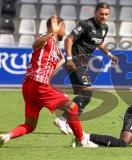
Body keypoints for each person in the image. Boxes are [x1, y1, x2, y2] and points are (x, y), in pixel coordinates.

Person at [0, 16, 97, 147]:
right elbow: (35, 45)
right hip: (38, 85)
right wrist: (52, 32)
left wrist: (62, 60)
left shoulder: (54, 47)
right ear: (58, 27)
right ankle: (81, 140)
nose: (65, 31)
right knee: (72, 106)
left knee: (30, 125)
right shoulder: (47, 38)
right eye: (64, 28)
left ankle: (7, 136)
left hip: (29, 87)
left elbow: (54, 66)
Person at [54, 2, 119, 135]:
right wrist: (70, 59)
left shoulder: (104, 28)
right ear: (95, 12)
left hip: (82, 63)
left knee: (83, 97)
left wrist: (109, 54)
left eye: (106, 14)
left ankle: (67, 122)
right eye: (101, 14)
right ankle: (62, 120)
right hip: (75, 61)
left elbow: (99, 43)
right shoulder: (85, 25)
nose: (104, 16)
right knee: (87, 92)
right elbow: (68, 40)